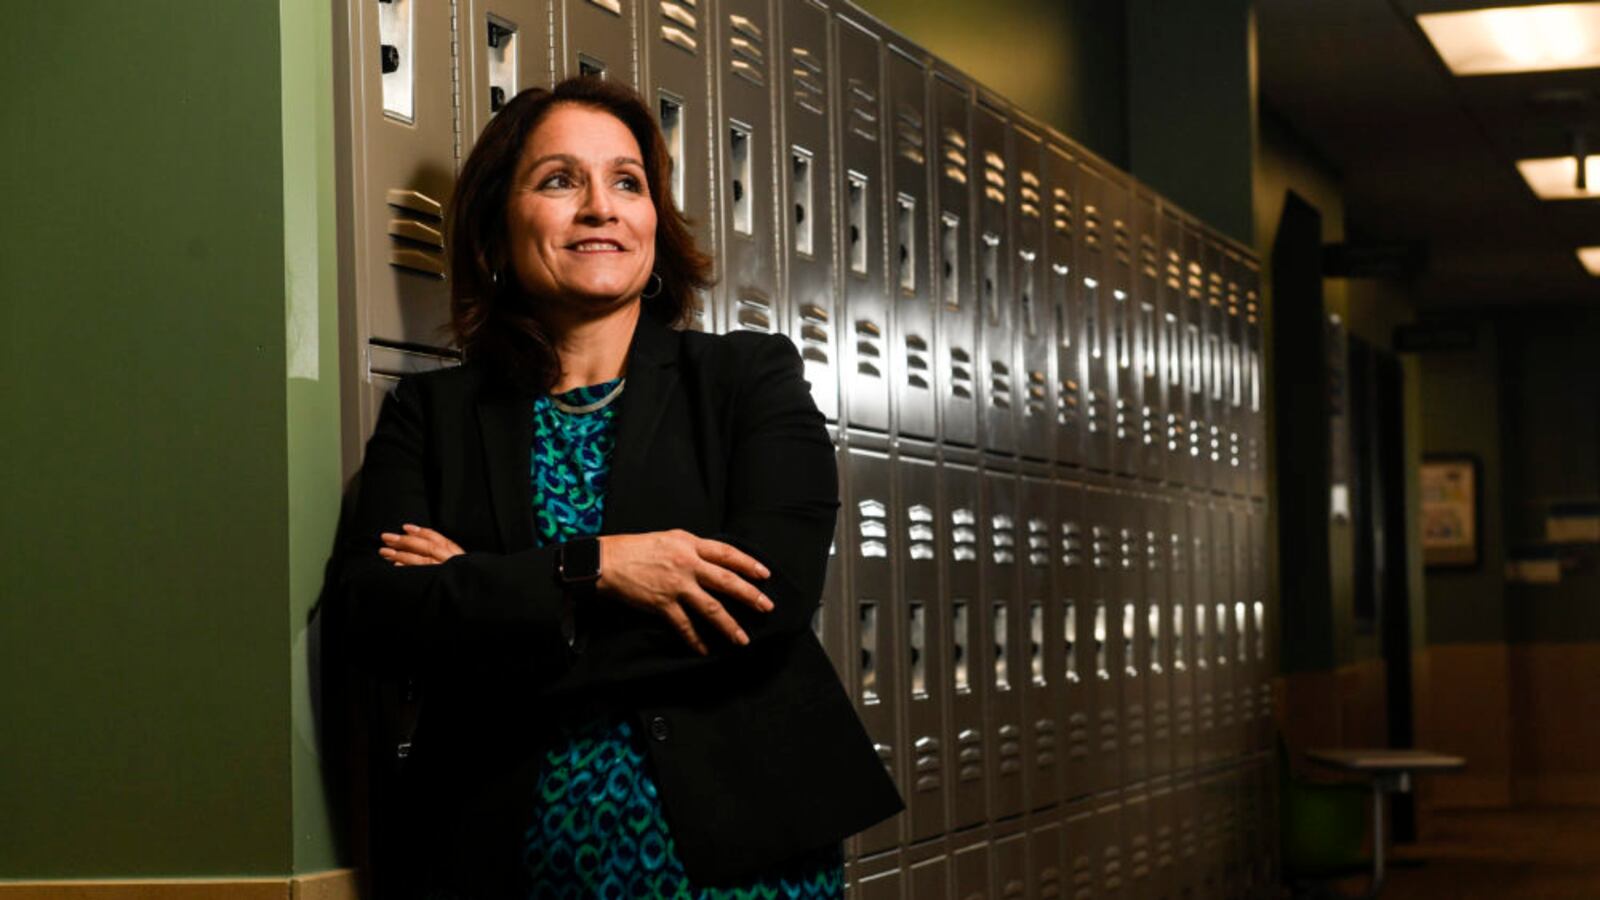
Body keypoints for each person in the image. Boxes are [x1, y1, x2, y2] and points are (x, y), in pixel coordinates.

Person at [333, 76, 902, 898]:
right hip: (505, 864)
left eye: (627, 182)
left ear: (654, 225)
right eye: (560, 180)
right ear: (497, 228)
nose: (600, 206)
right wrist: (595, 568)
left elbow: (762, 600)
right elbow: (377, 616)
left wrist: (485, 596)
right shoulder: (434, 414)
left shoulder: (748, 378)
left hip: (740, 865)